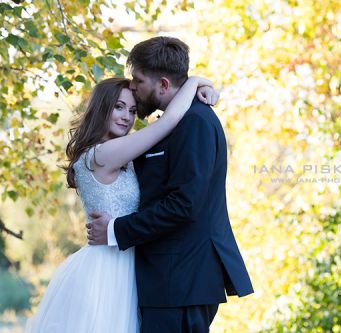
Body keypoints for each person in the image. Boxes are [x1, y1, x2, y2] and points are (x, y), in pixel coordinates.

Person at [25, 76, 219, 333]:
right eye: (118, 107)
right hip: (106, 270)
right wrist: (194, 81)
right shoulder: (101, 154)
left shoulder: (121, 152)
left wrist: (205, 89)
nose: (126, 117)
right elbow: (169, 122)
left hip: (129, 263)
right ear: (101, 108)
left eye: (132, 110)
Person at [87, 37, 254, 332]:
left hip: (181, 280)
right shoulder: (174, 122)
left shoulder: (195, 123)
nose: (133, 87)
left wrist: (115, 229)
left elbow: (184, 204)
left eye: (138, 80)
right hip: (165, 281)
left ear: (163, 85)